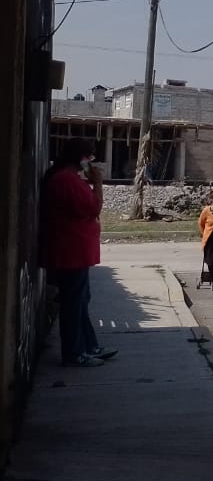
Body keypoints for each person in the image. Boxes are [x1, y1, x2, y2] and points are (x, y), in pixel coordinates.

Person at [41, 139, 117, 367]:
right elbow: (93, 207)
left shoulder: (69, 178)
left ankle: (89, 345)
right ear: (81, 158)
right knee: (74, 303)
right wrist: (98, 184)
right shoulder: (67, 180)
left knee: (81, 300)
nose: (90, 162)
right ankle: (74, 353)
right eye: (89, 157)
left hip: (74, 251)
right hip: (70, 252)